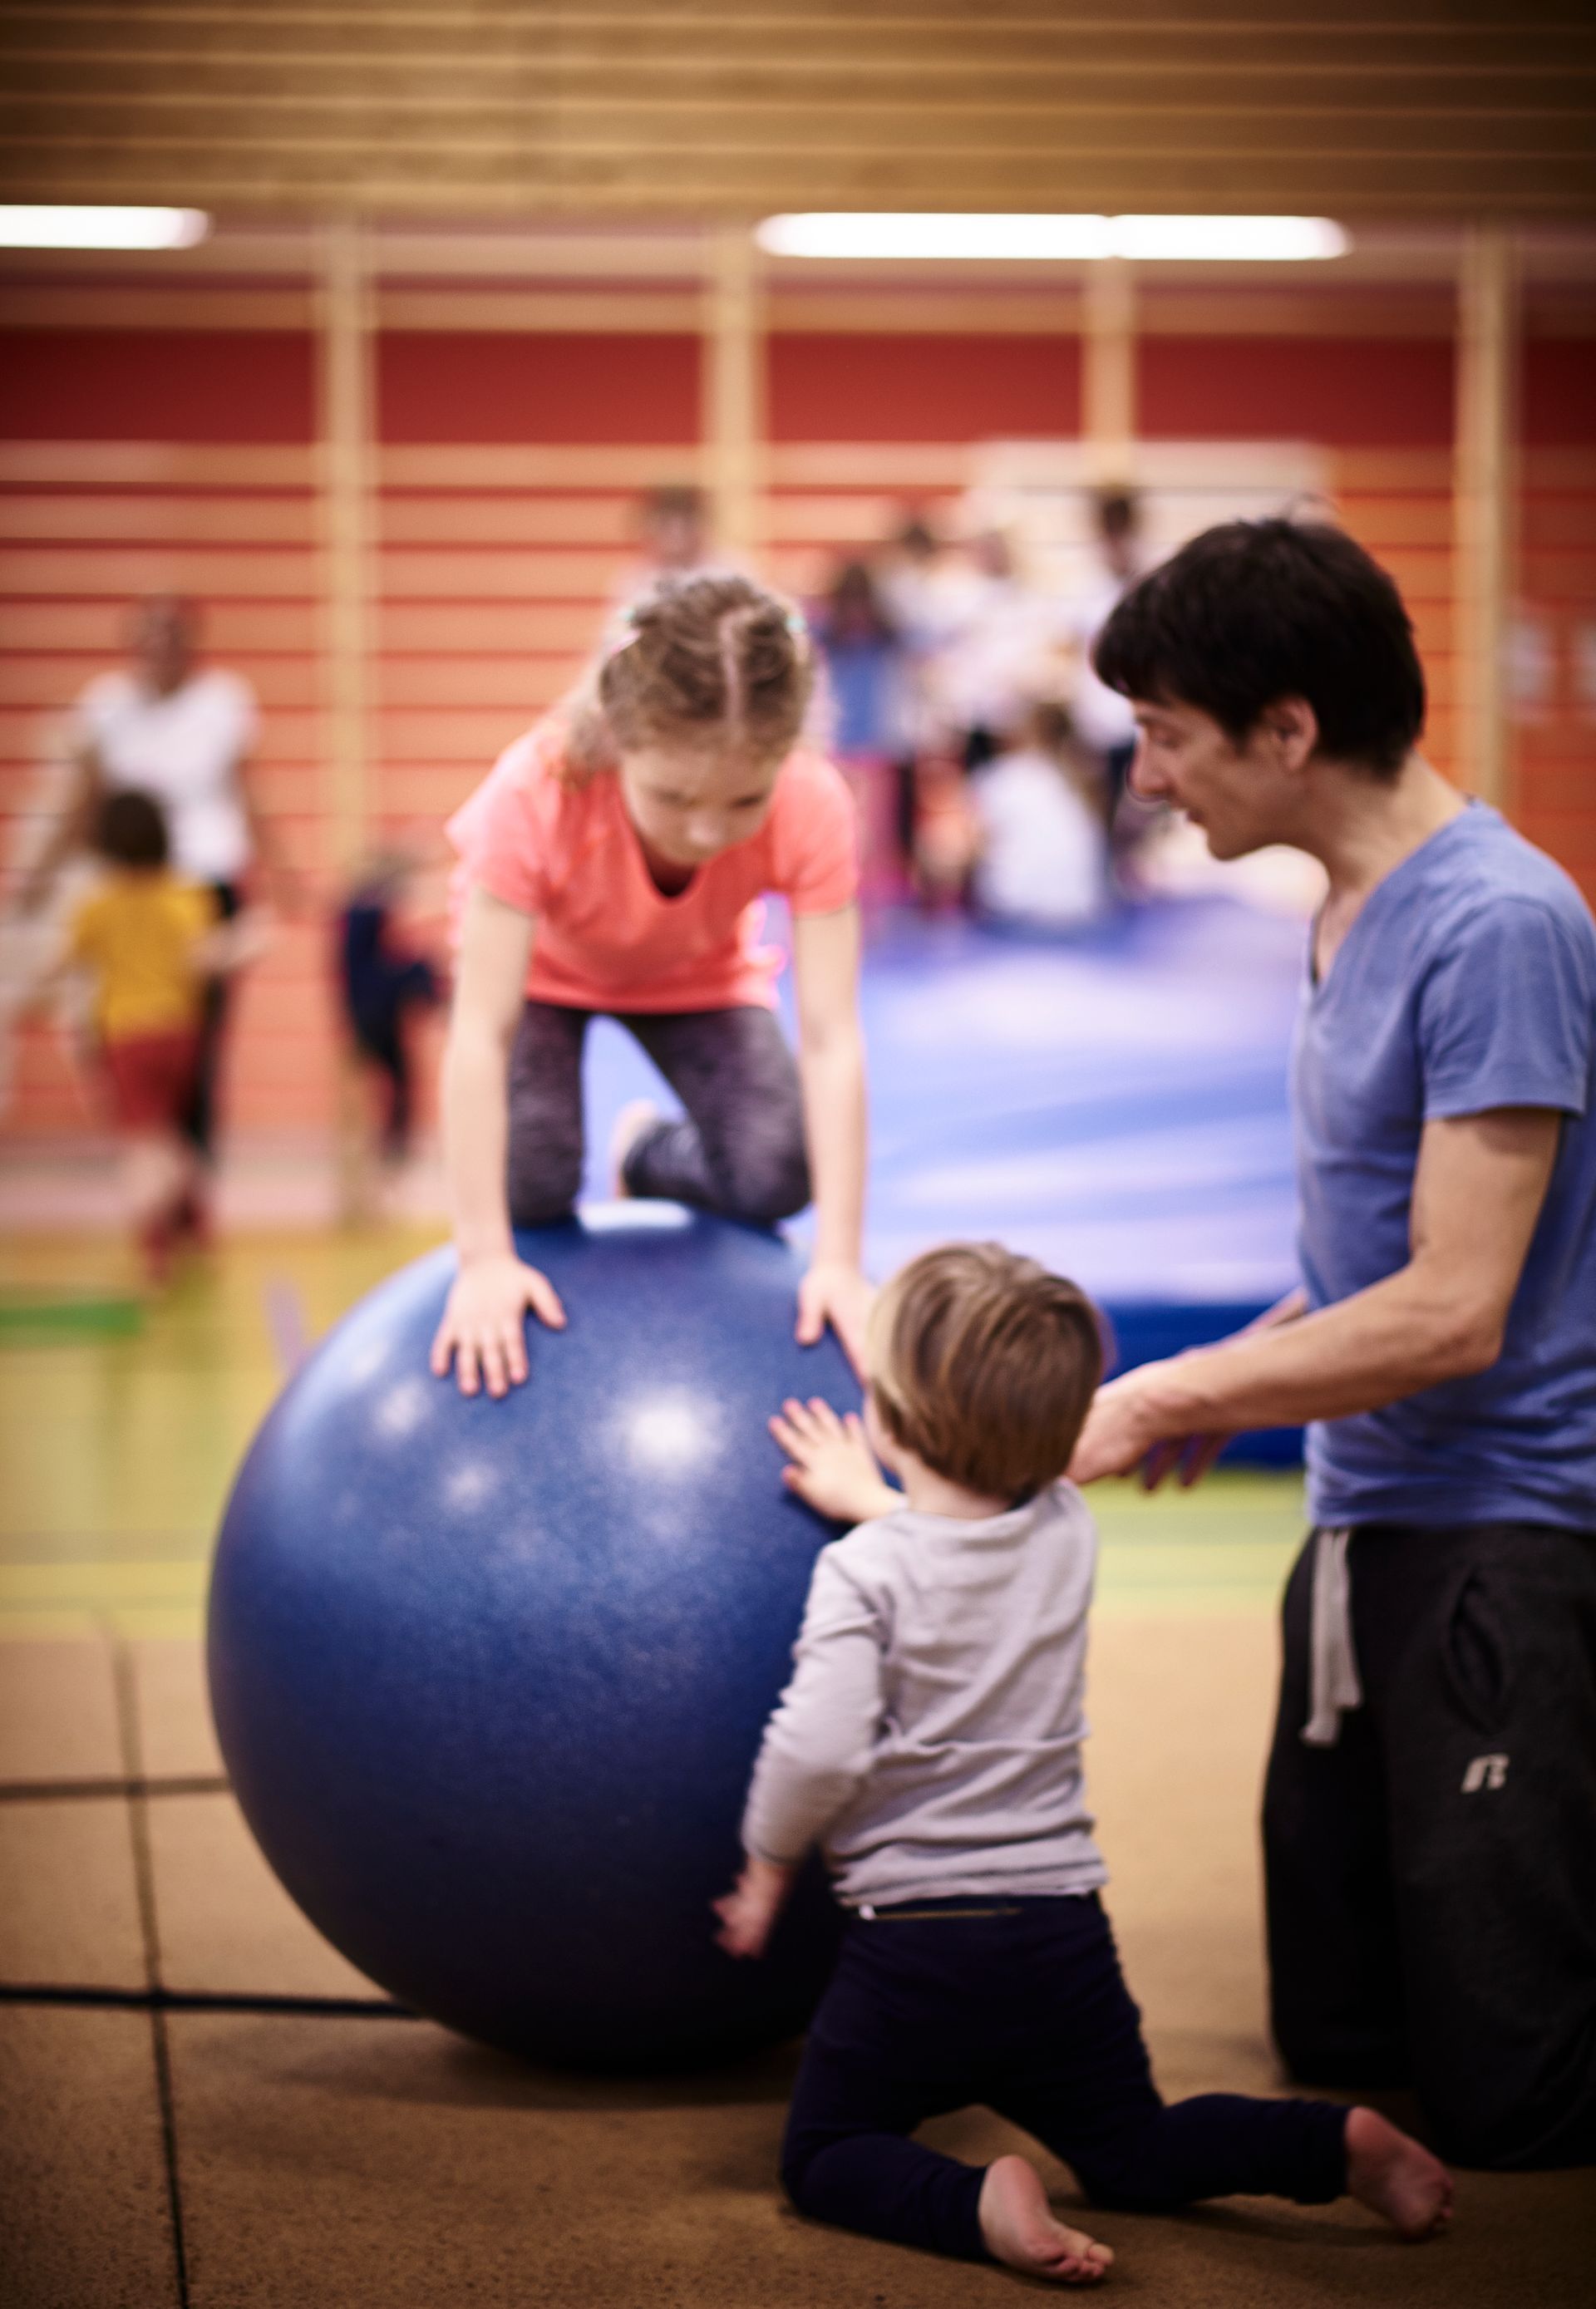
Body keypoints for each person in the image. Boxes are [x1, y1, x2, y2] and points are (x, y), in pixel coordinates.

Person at [1071, 517, 1596, 2169]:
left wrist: (1167, 1384)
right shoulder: (1345, 909)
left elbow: (1457, 1304)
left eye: (1167, 734)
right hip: (1363, 1518)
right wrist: (1253, 1364)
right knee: (1344, 2039)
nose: (1148, 778)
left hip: (1506, 1534)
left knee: (1515, 2101)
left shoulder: (1498, 924)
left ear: (1288, 730)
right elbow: (1382, 1251)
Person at [714, 1243, 1452, 2282]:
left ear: (887, 1419)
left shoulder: (861, 1573)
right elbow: (970, 1550)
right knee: (1135, 2149)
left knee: (826, 2154)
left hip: (917, 1949)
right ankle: (1332, 2147)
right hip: (1061, 1934)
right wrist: (872, 1495)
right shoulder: (1066, 1529)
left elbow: (818, 1746)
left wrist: (765, 1865)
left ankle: (976, 2203)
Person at [431, 570, 871, 1399]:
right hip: (546, 977)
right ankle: (545, 1189)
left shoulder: (813, 801)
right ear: (616, 738)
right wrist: (483, 1257)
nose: (705, 831)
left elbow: (831, 1037)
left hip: (697, 976)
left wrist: (840, 1261)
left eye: (744, 801)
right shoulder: (535, 791)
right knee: (533, 1180)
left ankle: (643, 1152)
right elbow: (480, 1033)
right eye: (672, 797)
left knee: (778, 1171)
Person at [16, 595, 288, 1160]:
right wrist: (41, 874)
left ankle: (186, 1160)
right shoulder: (106, 706)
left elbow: (248, 796)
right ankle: (154, 1150)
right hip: (128, 884)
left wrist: (276, 877)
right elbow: (81, 799)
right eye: (149, 636)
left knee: (199, 1040)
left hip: (205, 880)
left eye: (172, 635)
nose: (161, 648)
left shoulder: (222, 701)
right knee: (116, 1031)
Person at [53, 791, 262, 1280]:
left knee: (143, 1141)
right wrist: (247, 940)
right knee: (166, 1131)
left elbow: (65, 963)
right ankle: (192, 1208)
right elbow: (204, 957)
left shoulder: (98, 905)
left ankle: (154, 1245)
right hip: (179, 1032)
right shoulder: (185, 893)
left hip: (125, 1035)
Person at [337, 849, 443, 1164]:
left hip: (369, 1003)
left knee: (399, 1077)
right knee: (421, 967)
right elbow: (396, 897)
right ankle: (392, 1143)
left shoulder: (358, 909)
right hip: (372, 1004)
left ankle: (393, 1142)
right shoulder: (364, 909)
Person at [969, 702, 1111, 934]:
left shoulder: (1001, 777)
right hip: (1081, 912)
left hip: (1016, 911)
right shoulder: (1084, 777)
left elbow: (971, 846)